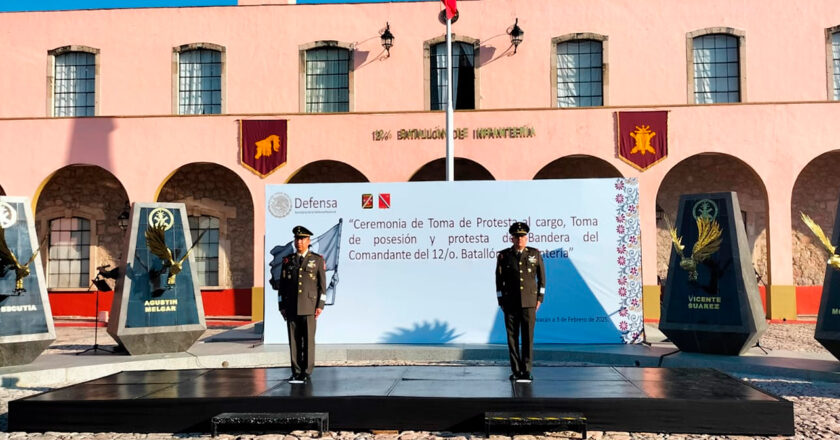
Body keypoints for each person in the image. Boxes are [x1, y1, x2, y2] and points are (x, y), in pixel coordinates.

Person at [495, 221, 545, 383]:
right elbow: (499, 280)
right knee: (512, 337)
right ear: (512, 238)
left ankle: (526, 370)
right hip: (510, 302)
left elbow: (542, 279)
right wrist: (501, 300)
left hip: (529, 302)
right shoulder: (504, 255)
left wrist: (539, 298)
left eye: (522, 236)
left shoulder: (534, 254)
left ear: (527, 237)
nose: (520, 239)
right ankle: (516, 370)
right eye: (516, 237)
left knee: (528, 337)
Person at [276, 225, 326, 383]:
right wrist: (281, 306)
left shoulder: (316, 260)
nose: (299, 242)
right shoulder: (288, 261)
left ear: (308, 241)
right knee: (294, 340)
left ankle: (306, 371)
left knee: (308, 340)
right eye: (297, 239)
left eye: (302, 239)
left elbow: (322, 286)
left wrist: (320, 305)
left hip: (309, 306)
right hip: (291, 306)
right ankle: (296, 370)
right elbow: (282, 286)